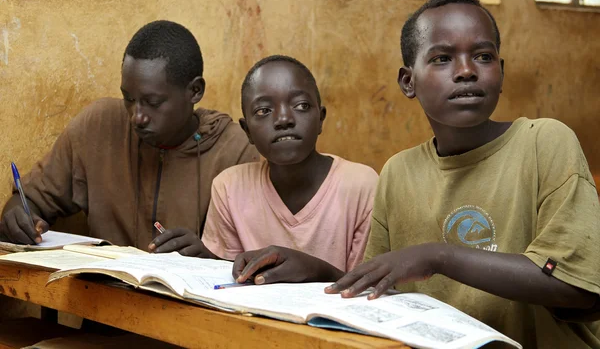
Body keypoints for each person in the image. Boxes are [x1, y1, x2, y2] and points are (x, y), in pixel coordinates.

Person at [325, 0, 600, 347]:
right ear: (408, 82)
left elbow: (578, 287)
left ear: (501, 72)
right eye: (442, 58)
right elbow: (382, 289)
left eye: (484, 56)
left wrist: (438, 256)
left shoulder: (544, 143)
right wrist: (319, 273)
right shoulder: (399, 172)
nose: (467, 71)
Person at [0, 20, 259, 255]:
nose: (137, 116)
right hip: (106, 299)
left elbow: (257, 255)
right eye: (129, 99)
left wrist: (208, 255)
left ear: (195, 90)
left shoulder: (237, 151)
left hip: (190, 303)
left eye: (152, 102)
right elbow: (32, 199)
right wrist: (18, 216)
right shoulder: (98, 127)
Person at [199, 55, 378, 284]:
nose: (284, 119)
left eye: (301, 106)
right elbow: (231, 284)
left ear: (321, 119)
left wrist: (315, 271)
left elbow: (368, 291)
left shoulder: (361, 186)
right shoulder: (229, 188)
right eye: (264, 110)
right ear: (247, 132)